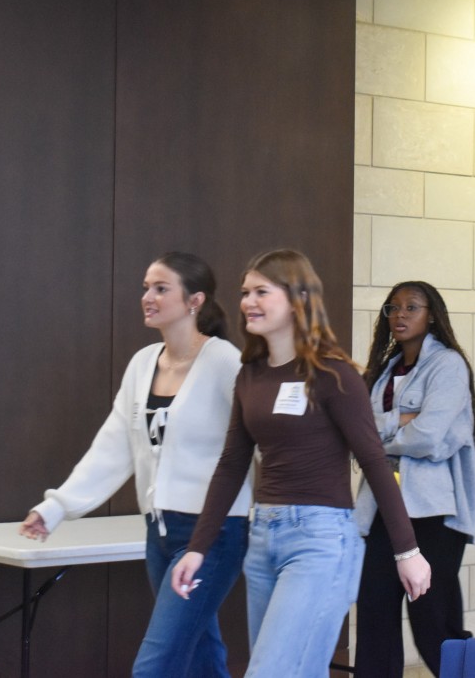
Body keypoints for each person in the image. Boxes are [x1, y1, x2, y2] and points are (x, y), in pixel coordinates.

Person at [170, 249, 431, 678]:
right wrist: (198, 547)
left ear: (296, 299)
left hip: (321, 541)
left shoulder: (334, 373)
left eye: (261, 292)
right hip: (263, 538)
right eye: (244, 293)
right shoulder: (250, 374)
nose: (248, 302)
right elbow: (232, 463)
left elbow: (373, 460)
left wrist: (408, 550)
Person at [19, 252, 252, 678]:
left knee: (155, 664)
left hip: (213, 534)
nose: (148, 296)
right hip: (159, 532)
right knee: (201, 654)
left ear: (194, 300)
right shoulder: (143, 363)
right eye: (146, 287)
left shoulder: (224, 363)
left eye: (161, 288)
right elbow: (114, 446)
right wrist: (56, 506)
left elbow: (255, 444)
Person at [353, 281, 475, 677]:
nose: (400, 315)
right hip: (380, 509)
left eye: (412, 307)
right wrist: (402, 421)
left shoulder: (448, 365)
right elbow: (358, 432)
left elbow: (430, 438)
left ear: (432, 315)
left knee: (433, 622)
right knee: (374, 615)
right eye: (393, 308)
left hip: (433, 512)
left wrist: (381, 435)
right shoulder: (384, 371)